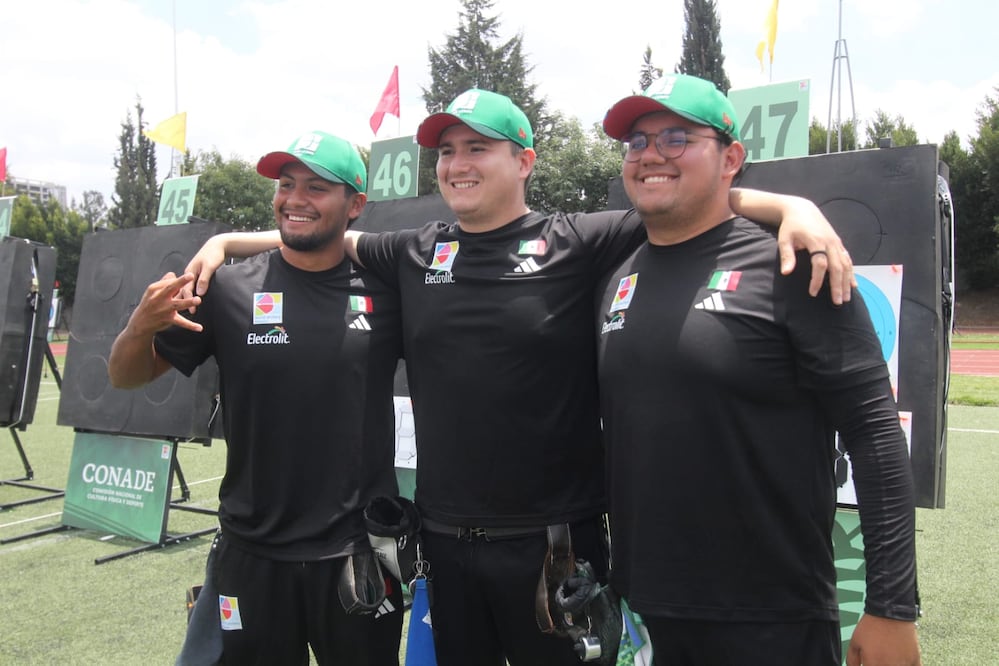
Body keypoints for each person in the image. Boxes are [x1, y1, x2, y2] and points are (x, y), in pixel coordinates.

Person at [183, 89, 855, 666]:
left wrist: (791, 207)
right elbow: (318, 234)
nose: (456, 163)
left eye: (478, 148)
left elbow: (688, 202)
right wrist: (222, 243)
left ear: (524, 161)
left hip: (553, 547)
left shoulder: (581, 241)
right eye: (446, 151)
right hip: (446, 545)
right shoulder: (416, 250)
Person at [596, 74, 921, 665]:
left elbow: (875, 434)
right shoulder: (620, 273)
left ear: (732, 158)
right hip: (647, 614)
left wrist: (893, 607)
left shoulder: (796, 262)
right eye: (637, 142)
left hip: (771, 618)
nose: (650, 155)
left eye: (676, 137)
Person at [108, 131, 404, 665]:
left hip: (359, 552)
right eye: (286, 185)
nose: (295, 198)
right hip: (251, 553)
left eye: (317, 187)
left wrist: (227, 238)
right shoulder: (227, 289)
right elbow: (126, 377)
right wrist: (137, 327)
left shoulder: (386, 289)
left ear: (355, 204)